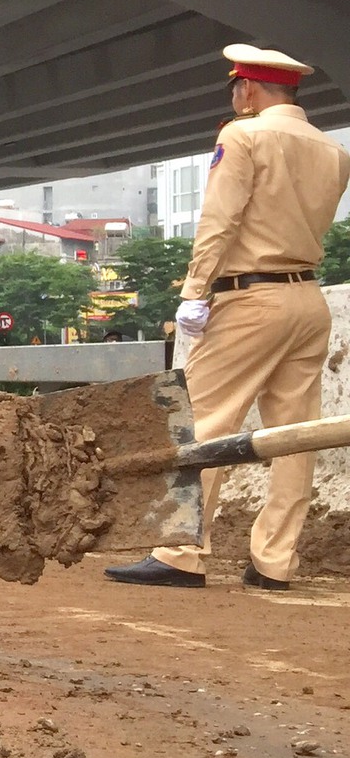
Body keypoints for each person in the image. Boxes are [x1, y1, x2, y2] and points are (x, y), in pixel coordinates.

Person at [105, 45, 350, 591]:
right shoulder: (333, 151)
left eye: (234, 86)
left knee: (203, 420)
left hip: (250, 299)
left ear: (248, 88)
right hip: (307, 300)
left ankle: (178, 554)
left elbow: (220, 220)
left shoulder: (242, 136)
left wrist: (194, 292)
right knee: (295, 435)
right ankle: (274, 562)